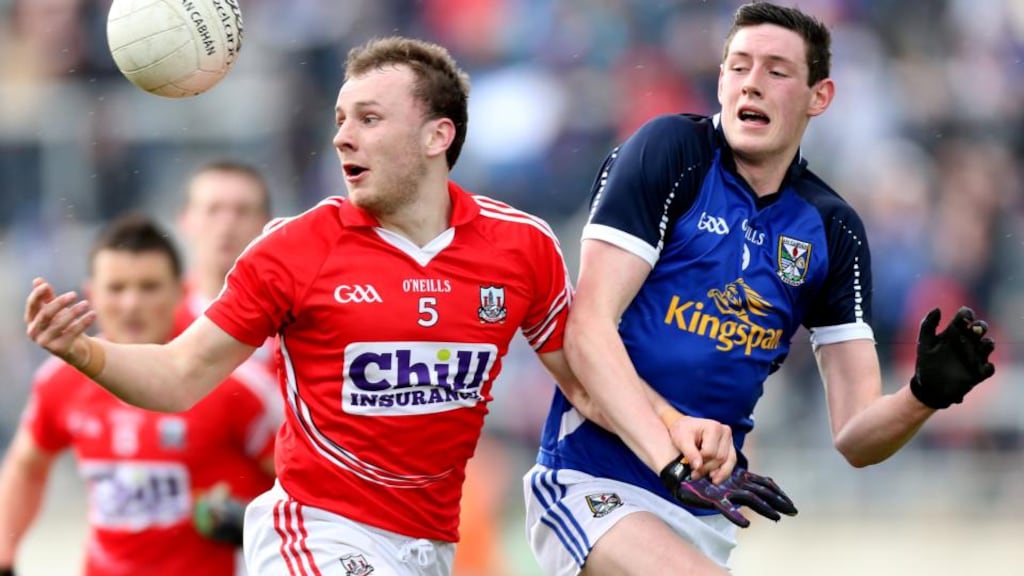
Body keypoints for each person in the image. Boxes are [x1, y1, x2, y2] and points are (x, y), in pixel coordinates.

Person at [23, 37, 721, 576]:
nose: (342, 136)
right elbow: (178, 377)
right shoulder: (294, 248)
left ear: (437, 136)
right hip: (315, 530)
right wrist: (84, 351)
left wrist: (673, 429)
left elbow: (588, 385)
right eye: (339, 119)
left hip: (429, 544)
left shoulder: (520, 247)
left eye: (369, 118)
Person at [525, 3, 997, 576]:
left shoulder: (832, 228)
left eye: (776, 71)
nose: (752, 82)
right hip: (592, 482)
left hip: (707, 508)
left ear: (819, 96)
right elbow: (588, 329)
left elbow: (856, 437)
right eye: (739, 66)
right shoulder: (669, 153)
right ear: (721, 80)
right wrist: (672, 457)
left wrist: (922, 395)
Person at [1, 215, 279, 576]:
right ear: (91, 293)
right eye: (116, 288)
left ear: (181, 291)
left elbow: (303, 480)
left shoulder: (235, 382)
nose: (132, 303)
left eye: (149, 287)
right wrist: (4, 554)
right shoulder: (61, 379)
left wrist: (254, 522)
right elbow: (26, 465)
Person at [173, 160, 277, 372]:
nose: (227, 223)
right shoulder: (159, 320)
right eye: (213, 210)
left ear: (268, 224)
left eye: (242, 211)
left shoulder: (292, 326)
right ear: (185, 220)